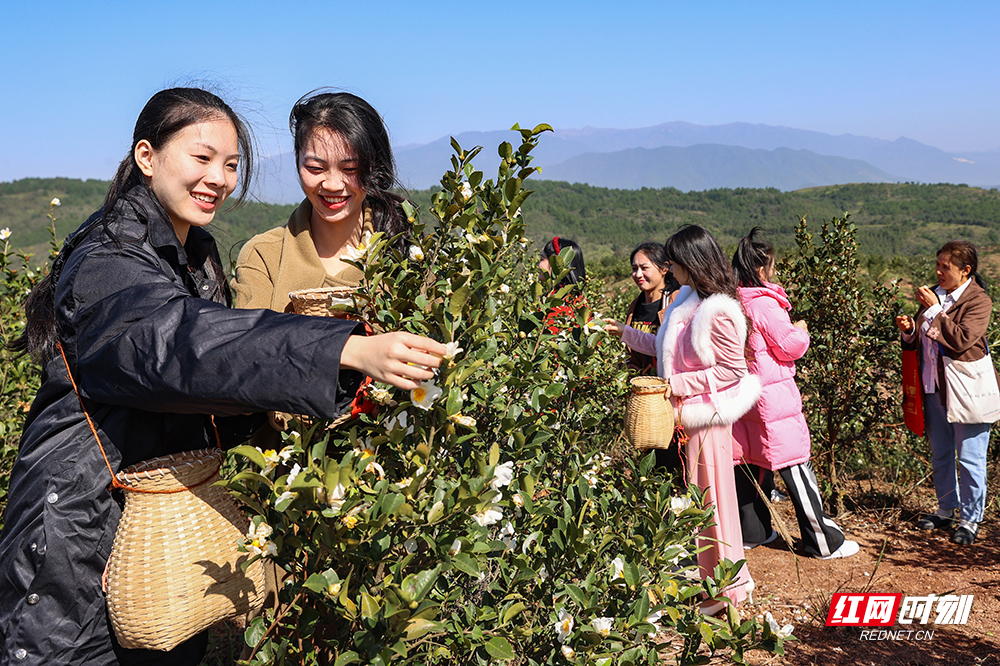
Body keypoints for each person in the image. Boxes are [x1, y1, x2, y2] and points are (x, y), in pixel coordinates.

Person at [0, 88, 446, 666]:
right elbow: (182, 345)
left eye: (231, 164)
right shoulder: (110, 258)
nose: (218, 177)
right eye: (201, 157)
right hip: (81, 534)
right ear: (147, 157)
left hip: (159, 533)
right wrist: (346, 348)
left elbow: (216, 399)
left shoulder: (193, 255)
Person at [605, 224, 760, 612]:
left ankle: (729, 589)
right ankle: (718, 585)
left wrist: (676, 385)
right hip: (687, 418)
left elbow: (732, 370)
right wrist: (624, 332)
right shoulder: (686, 300)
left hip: (706, 419)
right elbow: (664, 349)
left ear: (691, 261)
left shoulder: (717, 310)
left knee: (714, 503)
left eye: (673, 260)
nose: (669, 266)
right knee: (702, 503)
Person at [730, 228, 859, 559]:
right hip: (774, 397)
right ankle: (823, 541)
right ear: (761, 269)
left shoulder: (732, 301)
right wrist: (801, 331)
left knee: (751, 462)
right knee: (795, 464)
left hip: (746, 396)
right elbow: (789, 345)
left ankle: (753, 532)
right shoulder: (764, 305)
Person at [232, 90, 408, 312]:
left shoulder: (405, 248)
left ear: (374, 168)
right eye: (316, 168)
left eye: (350, 169)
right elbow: (251, 342)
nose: (332, 184)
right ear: (297, 161)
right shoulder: (263, 256)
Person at [896, 240, 997, 546]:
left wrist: (935, 310)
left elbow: (961, 340)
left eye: (946, 266)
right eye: (937, 264)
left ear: (966, 271)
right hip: (934, 387)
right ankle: (946, 509)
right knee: (941, 454)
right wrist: (910, 330)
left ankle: (970, 519)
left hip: (967, 391)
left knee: (970, 458)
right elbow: (926, 342)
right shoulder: (935, 297)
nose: (938, 271)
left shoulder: (979, 301)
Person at [622, 242, 680, 375]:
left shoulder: (675, 302)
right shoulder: (635, 305)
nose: (638, 274)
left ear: (664, 269)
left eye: (644, 268)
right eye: (634, 268)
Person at [539, 237, 586, 334]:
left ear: (555, 264)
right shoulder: (579, 301)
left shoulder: (558, 305)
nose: (538, 265)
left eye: (541, 259)